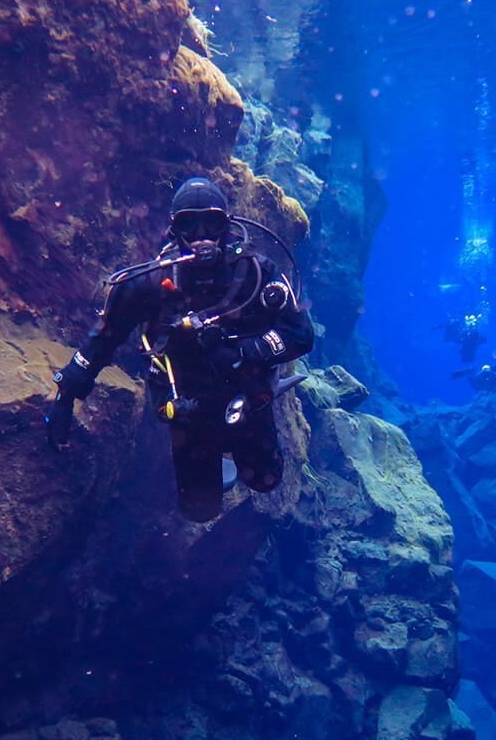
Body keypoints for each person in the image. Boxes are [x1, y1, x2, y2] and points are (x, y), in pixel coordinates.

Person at [46, 176, 314, 522]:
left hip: (246, 393)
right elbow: (103, 337)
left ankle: (241, 439)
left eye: (211, 223)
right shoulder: (152, 283)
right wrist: (66, 395)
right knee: (200, 511)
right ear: (175, 231)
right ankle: (219, 454)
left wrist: (243, 353)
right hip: (188, 406)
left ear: (227, 225)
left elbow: (300, 334)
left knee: (266, 481)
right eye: (190, 224)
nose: (202, 235)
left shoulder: (256, 274)